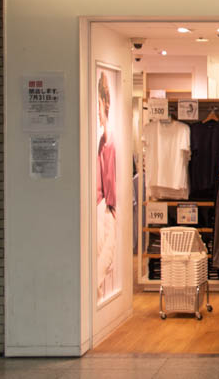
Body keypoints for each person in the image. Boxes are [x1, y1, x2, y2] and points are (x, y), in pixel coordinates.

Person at [96, 71, 117, 301]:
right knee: (98, 268)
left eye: (98, 104)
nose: (96, 112)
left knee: (100, 268)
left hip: (106, 211)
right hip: (103, 210)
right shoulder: (103, 139)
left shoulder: (109, 141)